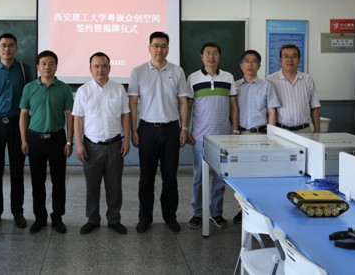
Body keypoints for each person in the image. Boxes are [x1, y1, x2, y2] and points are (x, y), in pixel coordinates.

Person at [128, 31, 191, 234]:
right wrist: (133, 130)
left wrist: (184, 127)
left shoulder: (177, 71)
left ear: (168, 49)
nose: (159, 49)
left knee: (170, 177)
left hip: (171, 129)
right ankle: (144, 218)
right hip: (147, 129)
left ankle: (170, 216)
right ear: (149, 48)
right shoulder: (138, 71)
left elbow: (183, 101)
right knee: (146, 178)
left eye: (163, 46)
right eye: (156, 45)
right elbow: (133, 102)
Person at [72, 52, 131, 235]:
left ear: (109, 68)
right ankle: (93, 219)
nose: (100, 70)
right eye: (96, 66)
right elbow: (78, 119)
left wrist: (127, 140)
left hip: (115, 145)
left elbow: (125, 115)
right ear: (90, 69)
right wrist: (79, 144)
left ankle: (114, 219)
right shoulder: (83, 91)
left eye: (104, 66)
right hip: (91, 146)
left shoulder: (118, 89)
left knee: (114, 186)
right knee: (92, 186)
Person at [0, 33, 33, 229]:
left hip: (17, 124)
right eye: (3, 45)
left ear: (16, 48)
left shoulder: (24, 69)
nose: (7, 49)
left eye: (11, 45)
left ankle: (18, 212)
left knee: (17, 171)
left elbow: (29, 99)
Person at [19, 50, 74, 234]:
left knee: (58, 182)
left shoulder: (64, 89)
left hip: (57, 139)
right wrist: (23, 139)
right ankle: (40, 218)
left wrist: (69, 141)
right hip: (35, 139)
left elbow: (70, 116)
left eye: (51, 63)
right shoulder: (29, 88)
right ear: (38, 66)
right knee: (37, 181)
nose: (47, 67)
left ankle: (57, 217)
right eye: (43, 63)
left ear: (56, 66)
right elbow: (23, 115)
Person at [186, 42, 238, 230]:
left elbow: (233, 105)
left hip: (223, 138)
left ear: (219, 56)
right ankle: (197, 213)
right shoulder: (193, 78)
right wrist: (186, 128)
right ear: (202, 56)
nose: (211, 56)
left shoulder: (228, 77)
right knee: (198, 178)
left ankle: (216, 213)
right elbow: (188, 106)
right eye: (207, 53)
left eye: (215, 53)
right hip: (200, 137)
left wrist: (235, 130)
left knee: (219, 179)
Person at [232, 49, 280, 225]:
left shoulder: (266, 85)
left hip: (261, 135)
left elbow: (272, 112)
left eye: (254, 61)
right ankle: (242, 210)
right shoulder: (234, 86)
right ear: (241, 65)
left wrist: (271, 136)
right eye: (247, 61)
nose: (250, 64)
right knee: (240, 175)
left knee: (260, 175)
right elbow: (231, 110)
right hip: (240, 135)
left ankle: (261, 211)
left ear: (259, 65)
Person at [266, 44, 321, 134]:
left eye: (294, 56)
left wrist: (317, 132)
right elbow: (268, 110)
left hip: (305, 131)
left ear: (299, 60)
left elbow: (315, 107)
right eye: (286, 56)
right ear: (280, 60)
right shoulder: (270, 80)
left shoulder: (308, 79)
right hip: (281, 131)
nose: (290, 60)